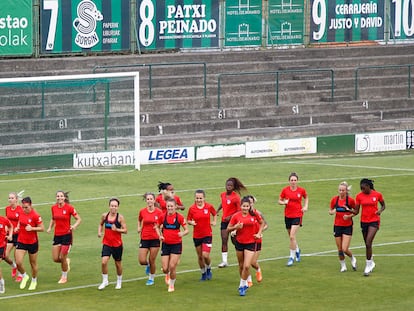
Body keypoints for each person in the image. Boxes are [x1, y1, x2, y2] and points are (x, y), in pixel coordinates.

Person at [227, 196, 265, 296]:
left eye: (247, 206)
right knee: (241, 265)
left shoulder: (254, 214)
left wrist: (259, 233)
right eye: (243, 206)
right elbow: (228, 229)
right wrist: (236, 227)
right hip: (239, 242)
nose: (245, 208)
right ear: (241, 206)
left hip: (251, 243)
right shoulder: (236, 216)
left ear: (249, 207)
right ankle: (245, 282)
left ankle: (241, 285)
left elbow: (262, 223)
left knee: (247, 265)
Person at [46, 191, 82, 284]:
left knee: (62, 257)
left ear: (64, 198)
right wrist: (50, 227)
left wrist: (74, 226)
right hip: (57, 235)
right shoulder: (53, 208)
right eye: (57, 196)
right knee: (55, 258)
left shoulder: (69, 208)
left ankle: (64, 277)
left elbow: (78, 218)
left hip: (67, 235)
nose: (59, 198)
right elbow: (53, 218)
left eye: (61, 196)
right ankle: (66, 261)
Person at [354, 178, 386, 276]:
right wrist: (348, 211)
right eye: (361, 188)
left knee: (368, 242)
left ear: (368, 186)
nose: (362, 190)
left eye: (363, 188)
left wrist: (379, 211)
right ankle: (371, 261)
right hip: (364, 222)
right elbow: (356, 211)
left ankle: (367, 266)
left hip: (374, 221)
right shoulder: (359, 196)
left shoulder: (377, 194)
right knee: (367, 244)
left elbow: (383, 206)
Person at [158, 198, 189, 292]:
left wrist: (182, 233)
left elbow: (187, 230)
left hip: (176, 244)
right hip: (165, 244)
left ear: (175, 206)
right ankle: (166, 274)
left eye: (171, 206)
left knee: (172, 266)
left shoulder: (179, 217)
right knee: (165, 268)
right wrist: (160, 235)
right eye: (168, 206)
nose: (170, 208)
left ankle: (171, 285)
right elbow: (156, 226)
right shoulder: (162, 217)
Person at [278, 172, 308, 267]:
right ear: (289, 181)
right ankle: (297, 250)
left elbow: (306, 197)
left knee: (292, 236)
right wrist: (283, 203)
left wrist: (305, 206)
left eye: (295, 180)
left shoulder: (301, 190)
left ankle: (291, 257)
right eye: (292, 180)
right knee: (292, 237)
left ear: (297, 181)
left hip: (298, 215)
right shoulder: (285, 190)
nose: (293, 182)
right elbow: (279, 200)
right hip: (288, 215)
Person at [216, 177, 247, 268]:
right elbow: (223, 203)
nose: (228, 187)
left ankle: (243, 255)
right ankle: (224, 261)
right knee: (224, 240)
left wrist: (230, 217)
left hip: (233, 223)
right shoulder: (222, 195)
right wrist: (217, 210)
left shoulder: (236, 197)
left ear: (233, 187)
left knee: (235, 241)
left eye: (230, 186)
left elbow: (239, 210)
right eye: (227, 185)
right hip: (224, 222)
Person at [187, 189, 217, 281]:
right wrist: (191, 222)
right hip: (197, 235)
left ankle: (209, 268)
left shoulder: (208, 207)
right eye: (197, 198)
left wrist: (214, 221)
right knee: (200, 256)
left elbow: (214, 213)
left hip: (207, 234)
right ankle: (203, 273)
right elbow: (188, 219)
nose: (199, 200)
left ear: (204, 198)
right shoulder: (192, 209)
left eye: (200, 198)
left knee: (205, 255)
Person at [15, 197, 45, 291]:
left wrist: (32, 228)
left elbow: (42, 228)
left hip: (32, 242)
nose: (24, 209)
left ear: (31, 205)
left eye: (26, 207)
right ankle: (25, 276)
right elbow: (20, 221)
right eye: (23, 207)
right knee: (18, 262)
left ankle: (34, 280)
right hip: (21, 241)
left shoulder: (35, 215)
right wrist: (18, 227)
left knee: (33, 264)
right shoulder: (20, 212)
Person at [97, 198, 127, 290]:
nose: (113, 207)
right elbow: (101, 224)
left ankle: (119, 281)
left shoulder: (120, 218)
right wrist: (99, 232)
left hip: (117, 244)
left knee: (118, 264)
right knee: (103, 262)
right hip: (107, 243)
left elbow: (125, 230)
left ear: (118, 207)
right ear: (109, 206)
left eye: (115, 206)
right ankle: (105, 281)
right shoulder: (104, 216)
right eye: (112, 206)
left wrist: (117, 229)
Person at [329, 181, 357, 272]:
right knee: (340, 249)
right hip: (337, 226)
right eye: (340, 190)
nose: (341, 192)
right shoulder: (334, 200)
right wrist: (332, 212)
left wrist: (349, 216)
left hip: (347, 226)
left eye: (343, 190)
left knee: (345, 249)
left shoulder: (350, 201)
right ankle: (343, 265)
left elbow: (356, 212)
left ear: (346, 191)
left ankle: (352, 258)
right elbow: (330, 210)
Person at [137, 192, 164, 286]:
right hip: (144, 237)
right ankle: (147, 265)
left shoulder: (159, 212)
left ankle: (151, 278)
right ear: (146, 200)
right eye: (148, 199)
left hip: (155, 238)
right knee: (142, 260)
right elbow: (139, 220)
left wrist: (159, 228)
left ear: (154, 200)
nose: (149, 201)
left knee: (152, 260)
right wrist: (139, 227)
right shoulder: (142, 211)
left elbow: (163, 222)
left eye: (151, 199)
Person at [244, 195, 267, 287]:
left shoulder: (258, 213)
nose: (249, 204)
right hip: (246, 240)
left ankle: (258, 270)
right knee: (246, 263)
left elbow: (265, 225)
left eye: (251, 202)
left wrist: (260, 232)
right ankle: (249, 280)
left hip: (257, 240)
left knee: (253, 262)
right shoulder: (243, 213)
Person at [4, 192, 24, 281]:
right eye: (9, 198)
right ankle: (14, 266)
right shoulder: (7, 209)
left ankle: (20, 274)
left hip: (19, 235)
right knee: (5, 255)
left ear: (16, 199)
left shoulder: (20, 209)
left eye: (12, 198)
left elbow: (21, 220)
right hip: (10, 235)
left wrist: (17, 227)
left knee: (17, 257)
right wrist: (5, 228)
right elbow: (7, 220)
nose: (10, 200)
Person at [0, 215, 13, 294]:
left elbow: (10, 226)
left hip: (1, 245)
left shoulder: (3, 219)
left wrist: (10, 235)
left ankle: (1, 282)